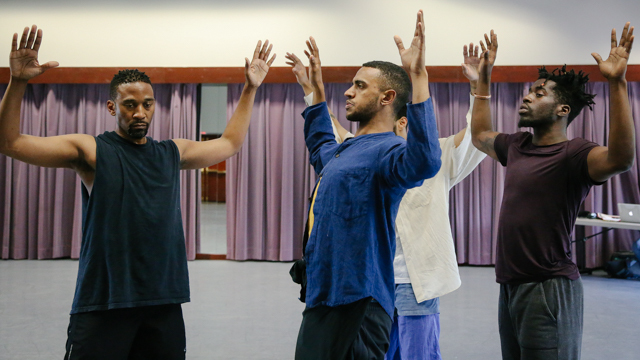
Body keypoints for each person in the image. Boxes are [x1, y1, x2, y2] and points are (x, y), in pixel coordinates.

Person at [0, 25, 275, 359]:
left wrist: (250, 88)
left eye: (147, 104)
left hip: (163, 302)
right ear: (112, 108)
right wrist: (18, 82)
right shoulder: (91, 151)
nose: (140, 112)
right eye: (130, 105)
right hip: (104, 301)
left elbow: (230, 142)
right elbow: (9, 142)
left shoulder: (172, 152)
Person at [287, 42, 487, 360]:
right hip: (337, 287)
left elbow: (459, 144)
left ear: (393, 105)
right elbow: (324, 139)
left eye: (360, 86)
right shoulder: (352, 151)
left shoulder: (417, 153)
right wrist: (315, 92)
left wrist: (465, 86)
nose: (349, 93)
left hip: (404, 282)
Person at [470, 23, 635, 360]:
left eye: (539, 93)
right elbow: (481, 134)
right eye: (530, 90)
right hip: (511, 284)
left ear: (563, 110)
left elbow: (620, 159)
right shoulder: (517, 145)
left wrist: (617, 82)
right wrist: (482, 81)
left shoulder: (574, 154)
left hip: (549, 286)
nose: (527, 96)